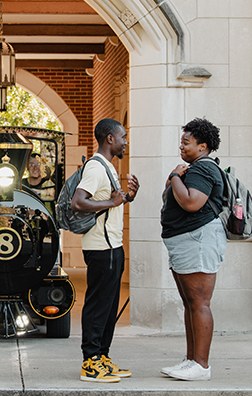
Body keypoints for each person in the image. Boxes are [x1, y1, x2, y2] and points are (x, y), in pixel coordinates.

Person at [71, 118, 140, 383]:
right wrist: (112, 201)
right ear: (110, 139)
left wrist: (126, 197)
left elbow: (109, 203)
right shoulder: (96, 167)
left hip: (112, 245)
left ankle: (102, 357)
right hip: (101, 247)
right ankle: (90, 362)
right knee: (98, 306)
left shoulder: (108, 167)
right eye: (123, 136)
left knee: (110, 306)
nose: (126, 141)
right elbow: (79, 201)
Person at [159, 117, 226, 381]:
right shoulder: (196, 168)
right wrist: (174, 178)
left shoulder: (202, 169)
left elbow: (191, 203)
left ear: (203, 146)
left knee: (199, 303)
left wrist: (175, 175)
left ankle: (201, 365)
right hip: (187, 242)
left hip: (197, 241)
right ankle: (191, 361)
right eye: (181, 142)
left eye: (187, 142)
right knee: (190, 304)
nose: (181, 147)